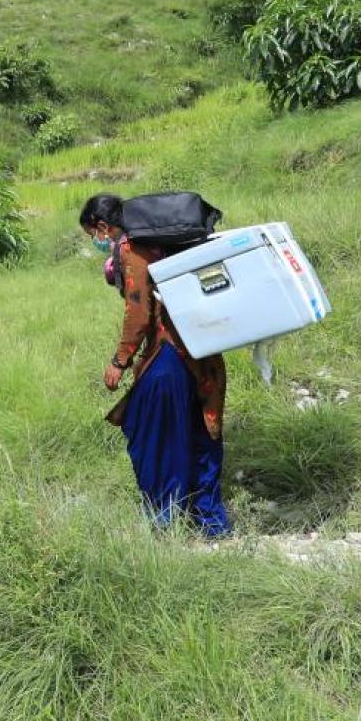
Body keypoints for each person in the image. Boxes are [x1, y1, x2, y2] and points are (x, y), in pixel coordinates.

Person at [80, 193, 231, 538]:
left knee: (150, 436)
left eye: (94, 235)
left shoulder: (133, 249)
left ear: (104, 226)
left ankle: (166, 523)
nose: (97, 242)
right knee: (200, 435)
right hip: (205, 356)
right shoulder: (171, 245)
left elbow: (139, 310)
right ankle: (211, 525)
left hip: (169, 359)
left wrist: (121, 360)